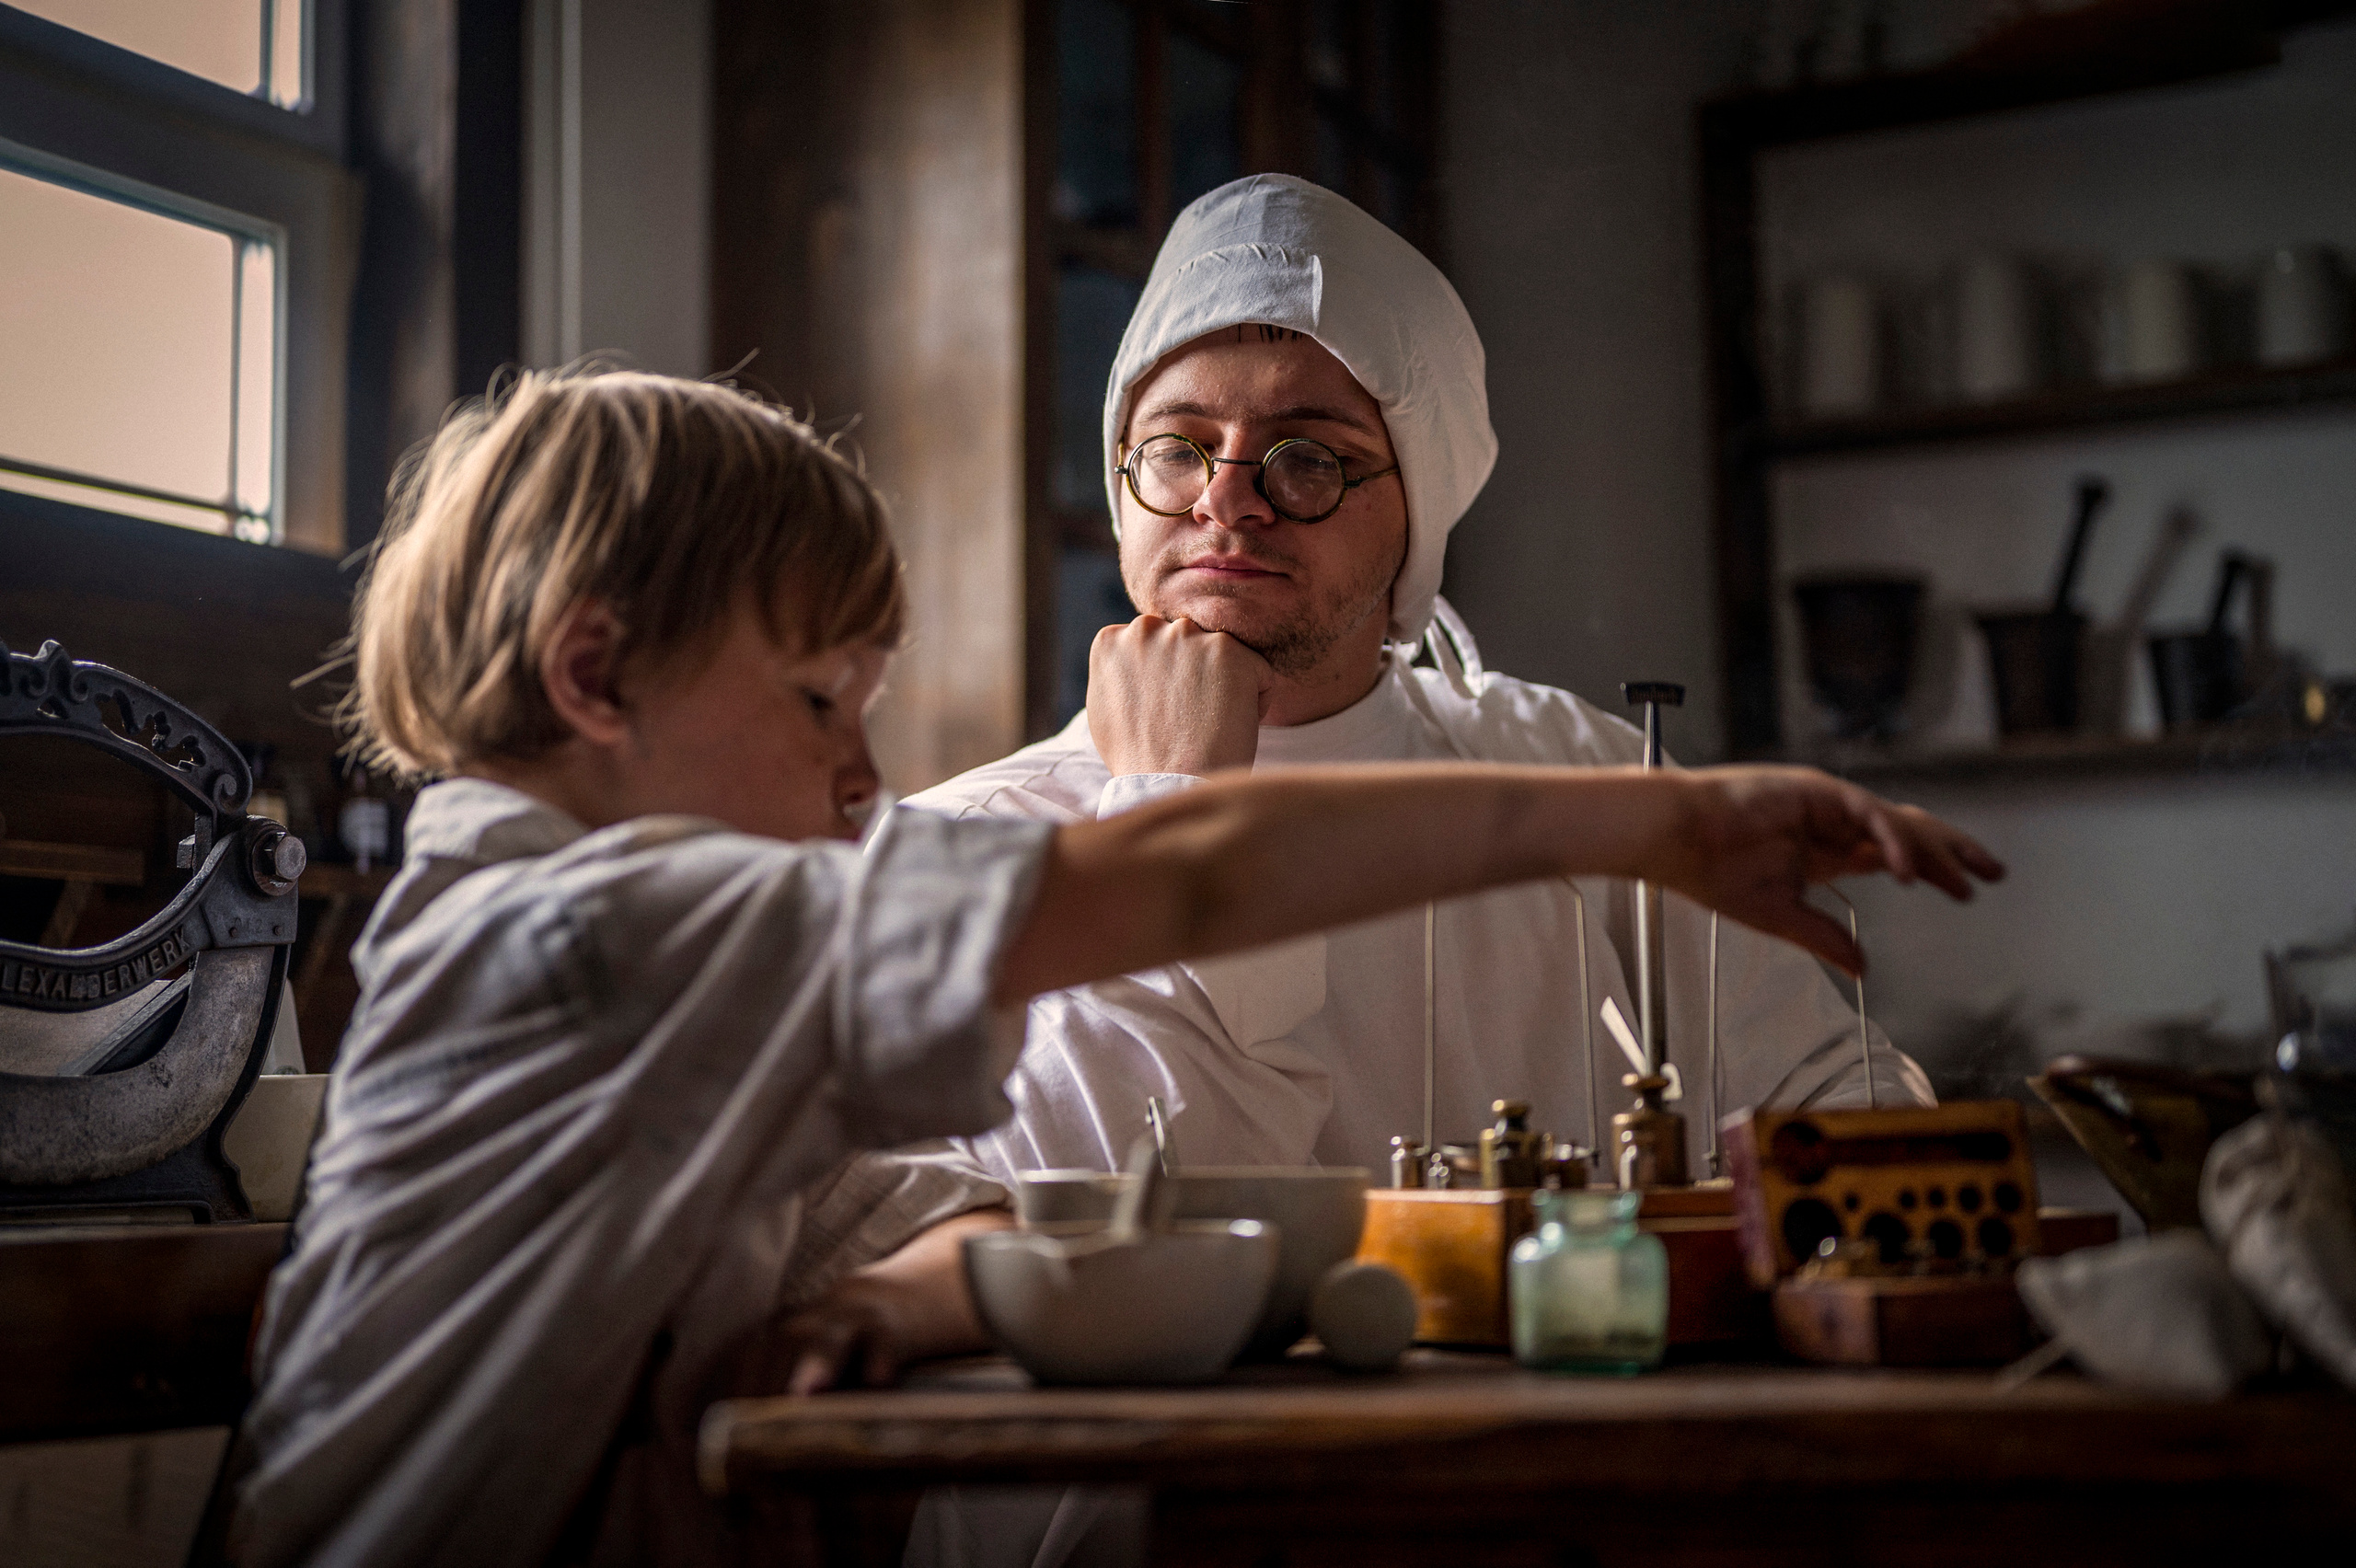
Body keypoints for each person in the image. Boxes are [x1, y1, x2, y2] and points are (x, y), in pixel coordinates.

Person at [225, 367, 1997, 1567]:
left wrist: (902, 1294)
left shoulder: (678, 948)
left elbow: (937, 1205)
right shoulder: (591, 932)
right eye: (820, 699)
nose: (862, 769)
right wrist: (1642, 825)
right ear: (597, 676)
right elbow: (1184, 859)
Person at [905, 173, 1931, 1195]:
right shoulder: (955, 851)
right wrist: (1171, 805)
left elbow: (1844, 1105)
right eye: (1175, 448)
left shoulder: (1580, 779)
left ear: (1419, 513)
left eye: (1306, 458)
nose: (1225, 501)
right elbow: (1114, 1257)